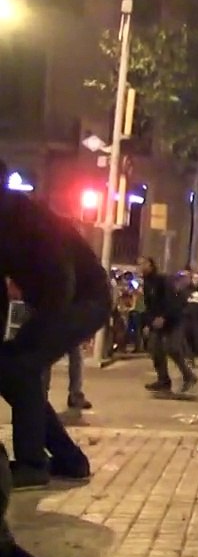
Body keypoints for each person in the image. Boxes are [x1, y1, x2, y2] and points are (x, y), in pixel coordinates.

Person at [0, 165, 111, 489]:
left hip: (84, 299)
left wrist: (41, 331)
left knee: (20, 367)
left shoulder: (25, 216)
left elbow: (62, 276)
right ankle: (69, 460)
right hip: (57, 301)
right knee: (10, 368)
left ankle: (33, 464)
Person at [139, 257, 197, 394]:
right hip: (157, 320)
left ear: (151, 265)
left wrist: (164, 317)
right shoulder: (147, 283)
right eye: (139, 264)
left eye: (143, 263)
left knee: (172, 348)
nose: (140, 266)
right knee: (155, 348)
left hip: (173, 319)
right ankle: (163, 380)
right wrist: (149, 322)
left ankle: (188, 376)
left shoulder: (162, 280)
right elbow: (149, 306)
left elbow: (171, 301)